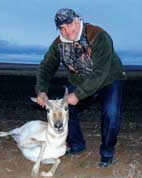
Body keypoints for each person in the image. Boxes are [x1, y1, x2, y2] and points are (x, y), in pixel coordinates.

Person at [35, 8, 126, 167]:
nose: (66, 30)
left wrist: (78, 94)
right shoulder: (59, 44)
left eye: (69, 24)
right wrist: (41, 90)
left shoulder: (98, 36)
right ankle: (77, 144)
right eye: (62, 28)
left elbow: (99, 73)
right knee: (65, 109)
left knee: (111, 112)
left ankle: (107, 153)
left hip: (109, 80)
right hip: (80, 81)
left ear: (78, 20)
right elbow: (46, 67)